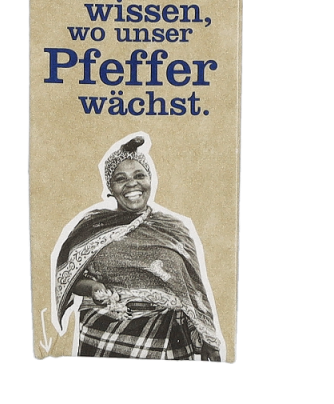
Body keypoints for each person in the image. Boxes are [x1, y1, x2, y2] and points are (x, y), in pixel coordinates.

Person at [51, 132, 223, 361]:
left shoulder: (174, 229)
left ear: (150, 181)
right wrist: (93, 288)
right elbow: (71, 278)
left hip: (166, 338)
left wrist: (209, 337)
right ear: (110, 188)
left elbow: (193, 288)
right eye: (120, 178)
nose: (132, 183)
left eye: (139, 175)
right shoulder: (93, 227)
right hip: (103, 336)